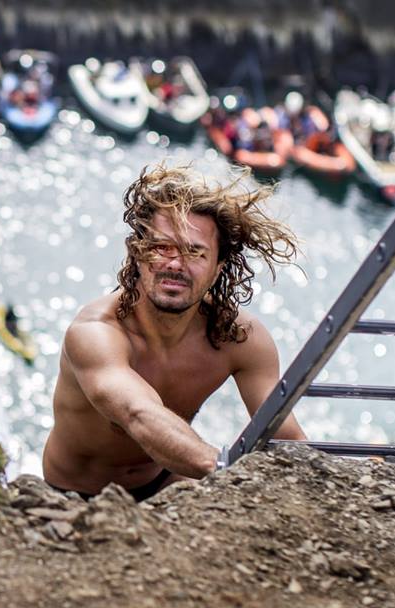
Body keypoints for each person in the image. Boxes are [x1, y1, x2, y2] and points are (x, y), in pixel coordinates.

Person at [45, 164, 306, 502]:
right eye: (161, 247)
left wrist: (334, 481)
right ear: (138, 254)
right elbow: (139, 415)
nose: (174, 264)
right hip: (75, 494)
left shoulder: (239, 339)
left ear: (217, 268)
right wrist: (226, 471)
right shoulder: (96, 332)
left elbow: (285, 437)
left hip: (165, 479)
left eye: (194, 252)